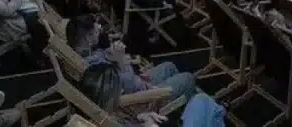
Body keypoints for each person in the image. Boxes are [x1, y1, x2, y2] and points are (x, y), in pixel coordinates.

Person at [66, 16, 197, 99]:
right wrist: (121, 59)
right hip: (141, 97)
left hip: (137, 83)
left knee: (169, 66)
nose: (100, 28)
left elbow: (105, 58)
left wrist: (112, 52)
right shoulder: (94, 67)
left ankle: (183, 108)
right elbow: (129, 86)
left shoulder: (85, 55)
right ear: (88, 38)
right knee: (188, 78)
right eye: (96, 31)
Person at [79, 62, 224, 127]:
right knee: (201, 102)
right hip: (148, 96)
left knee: (204, 105)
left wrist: (138, 119)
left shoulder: (102, 118)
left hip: (141, 104)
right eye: (118, 89)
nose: (122, 91)